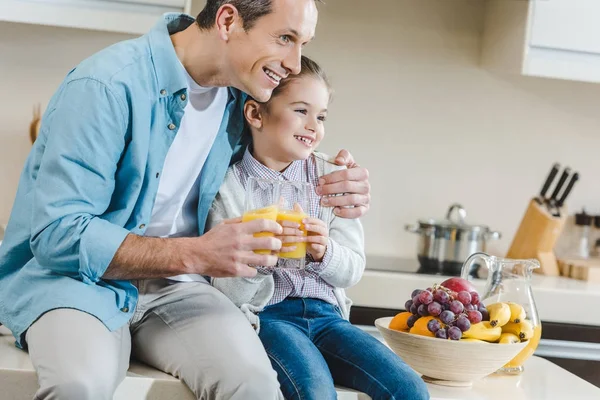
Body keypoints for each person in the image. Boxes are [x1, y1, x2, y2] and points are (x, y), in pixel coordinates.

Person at [0, 1, 372, 399]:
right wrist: (195, 254)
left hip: (178, 289)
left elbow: (287, 150)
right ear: (228, 20)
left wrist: (342, 179)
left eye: (302, 44)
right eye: (285, 38)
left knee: (256, 386)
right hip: (79, 281)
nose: (295, 64)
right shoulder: (106, 85)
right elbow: (58, 234)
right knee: (78, 386)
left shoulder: (239, 102)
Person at [209, 56, 430, 400]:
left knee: (409, 389)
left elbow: (353, 268)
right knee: (314, 392)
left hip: (329, 318)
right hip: (270, 318)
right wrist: (261, 256)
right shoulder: (229, 186)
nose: (314, 126)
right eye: (301, 111)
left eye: (322, 116)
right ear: (255, 114)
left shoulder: (333, 177)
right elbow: (225, 292)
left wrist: (324, 250)